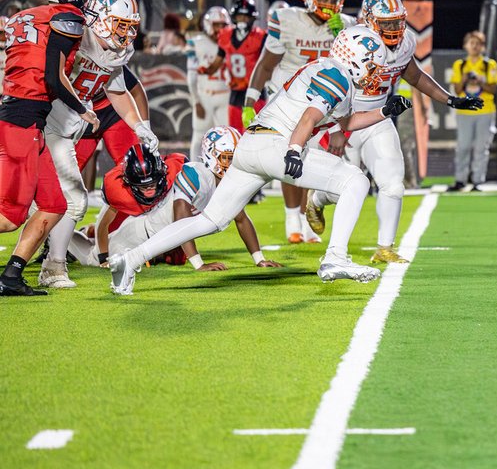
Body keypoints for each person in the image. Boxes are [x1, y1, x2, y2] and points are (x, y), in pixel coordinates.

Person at [109, 26, 406, 295]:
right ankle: (335, 258)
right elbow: (310, 117)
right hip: (277, 145)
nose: (375, 72)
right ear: (354, 57)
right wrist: (294, 149)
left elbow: (346, 121)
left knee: (209, 220)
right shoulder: (337, 75)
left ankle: (130, 260)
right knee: (356, 180)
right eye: (372, 64)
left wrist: (384, 112)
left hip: (250, 145)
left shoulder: (332, 73)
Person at [307, 0, 480, 264]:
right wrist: (336, 129)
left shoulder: (405, 43)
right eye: (386, 23)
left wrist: (449, 99)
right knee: (342, 189)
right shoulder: (353, 42)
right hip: (346, 118)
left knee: (393, 183)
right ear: (368, 20)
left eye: (396, 21)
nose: (393, 28)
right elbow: (334, 88)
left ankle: (385, 246)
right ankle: (316, 200)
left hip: (377, 117)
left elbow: (413, 75)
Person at [39, 0, 157, 289]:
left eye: (131, 27)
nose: (127, 34)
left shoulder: (115, 49)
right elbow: (50, 75)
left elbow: (118, 89)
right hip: (44, 116)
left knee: (71, 199)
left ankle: (54, 264)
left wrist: (139, 125)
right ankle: (45, 255)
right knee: (25, 198)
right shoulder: (74, 34)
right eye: (122, 24)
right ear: (101, 16)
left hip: (70, 122)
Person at [0, 0, 98, 296]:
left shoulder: (24, 16)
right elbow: (54, 78)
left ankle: (11, 275)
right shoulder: (68, 18)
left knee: (55, 204)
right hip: (23, 119)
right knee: (9, 217)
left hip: (23, 117)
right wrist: (83, 109)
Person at [71, 127, 282, 273]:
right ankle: (59, 236)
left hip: (161, 240)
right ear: (211, 153)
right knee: (90, 257)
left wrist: (259, 259)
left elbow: (241, 218)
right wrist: (198, 264)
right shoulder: (196, 173)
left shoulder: (224, 184)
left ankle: (75, 235)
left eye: (234, 157)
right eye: (227, 157)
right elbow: (180, 215)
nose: (231, 163)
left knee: (94, 248)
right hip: (139, 234)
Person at [245, 0, 343, 243]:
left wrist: (341, 35)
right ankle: (293, 220)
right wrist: (250, 100)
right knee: (292, 155)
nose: (328, 4)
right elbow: (266, 63)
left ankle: (307, 214)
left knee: (313, 161)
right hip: (286, 97)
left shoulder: (343, 25)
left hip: (323, 99)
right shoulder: (287, 20)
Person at [448, 29, 497, 191]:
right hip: (464, 111)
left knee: (481, 147)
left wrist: (479, 81)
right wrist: (464, 79)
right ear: (466, 46)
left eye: (478, 44)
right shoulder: (460, 65)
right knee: (463, 146)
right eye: (472, 43)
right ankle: (460, 179)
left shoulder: (488, 65)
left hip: (485, 110)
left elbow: (493, 89)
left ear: (483, 47)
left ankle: (478, 180)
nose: (475, 47)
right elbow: (457, 90)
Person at [210, 0, 267, 133]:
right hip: (235, 92)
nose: (242, 20)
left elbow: (268, 65)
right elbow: (218, 61)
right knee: (234, 134)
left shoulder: (261, 37)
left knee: (254, 134)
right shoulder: (226, 35)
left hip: (255, 91)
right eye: (240, 16)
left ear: (252, 19)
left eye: (246, 17)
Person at [187, 7, 232, 159]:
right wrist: (196, 101)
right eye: (216, 25)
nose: (220, 29)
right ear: (208, 25)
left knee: (227, 137)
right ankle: (194, 169)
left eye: (223, 25)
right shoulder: (196, 43)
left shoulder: (231, 42)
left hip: (226, 95)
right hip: (204, 95)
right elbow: (191, 76)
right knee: (200, 135)